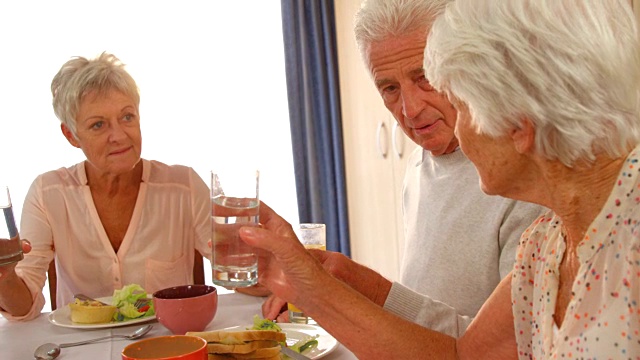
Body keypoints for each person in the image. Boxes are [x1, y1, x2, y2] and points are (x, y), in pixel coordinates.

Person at [242, 0, 640, 357]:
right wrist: (311, 284)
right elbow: (462, 355)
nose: (414, 115)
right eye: (391, 88)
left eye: (463, 105)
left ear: (521, 122)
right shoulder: (544, 244)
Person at [262, 0, 544, 338]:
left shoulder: (525, 177)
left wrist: (363, 289)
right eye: (390, 88)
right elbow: (426, 304)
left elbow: (509, 348)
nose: (409, 110)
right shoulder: (419, 164)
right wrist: (331, 292)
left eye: (424, 77)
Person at [0, 52, 211, 321]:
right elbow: (23, 308)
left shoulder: (184, 187)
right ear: (71, 135)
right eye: (98, 125)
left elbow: (239, 271)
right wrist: (4, 279)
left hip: (167, 344)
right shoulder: (47, 193)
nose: (119, 136)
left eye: (127, 117)